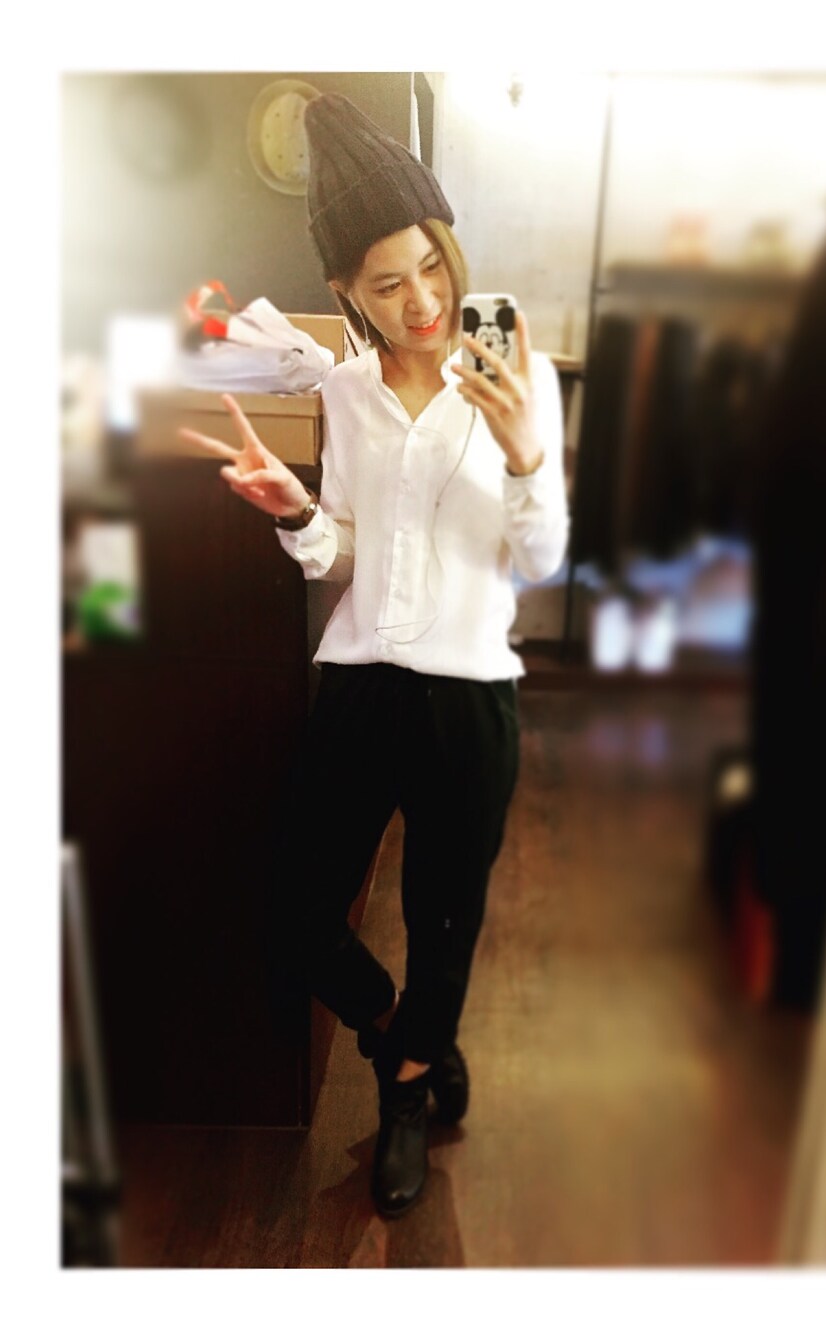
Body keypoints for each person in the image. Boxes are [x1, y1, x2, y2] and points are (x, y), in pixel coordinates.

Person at [179, 93, 568, 1217]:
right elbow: (345, 550)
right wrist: (300, 511)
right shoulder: (346, 392)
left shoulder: (516, 378)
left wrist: (525, 452)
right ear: (346, 289)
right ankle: (403, 1036)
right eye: (387, 284)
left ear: (449, 251)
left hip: (468, 696)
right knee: (295, 910)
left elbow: (541, 559)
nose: (423, 303)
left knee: (446, 920)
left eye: (431, 267)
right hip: (358, 685)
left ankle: (405, 1098)